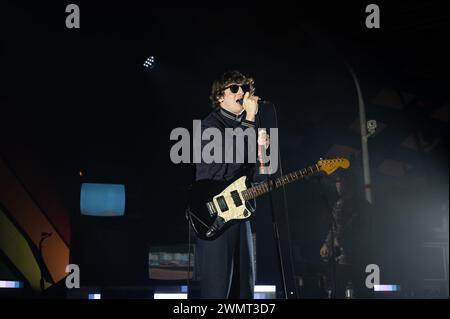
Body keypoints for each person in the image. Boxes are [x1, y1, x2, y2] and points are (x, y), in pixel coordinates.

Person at [194, 70, 265, 299]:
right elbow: (226, 167)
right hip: (214, 215)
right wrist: (250, 121)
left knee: (245, 289)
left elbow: (257, 177)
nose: (241, 92)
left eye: (244, 88)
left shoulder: (247, 126)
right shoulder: (210, 126)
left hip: (240, 214)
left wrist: (262, 150)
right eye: (234, 88)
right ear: (219, 97)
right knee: (218, 290)